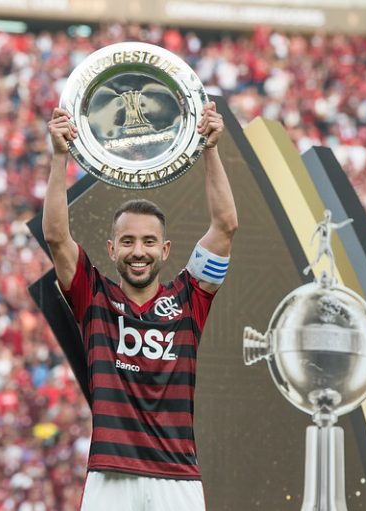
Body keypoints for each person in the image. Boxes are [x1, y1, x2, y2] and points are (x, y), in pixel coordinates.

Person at [43, 101, 238, 511]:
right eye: (128, 241)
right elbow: (58, 238)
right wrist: (60, 157)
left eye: (149, 241)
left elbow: (225, 226)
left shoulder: (190, 298)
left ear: (165, 250)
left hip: (178, 477)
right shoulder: (93, 297)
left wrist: (211, 149)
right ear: (112, 249)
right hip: (110, 476)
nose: (139, 251)